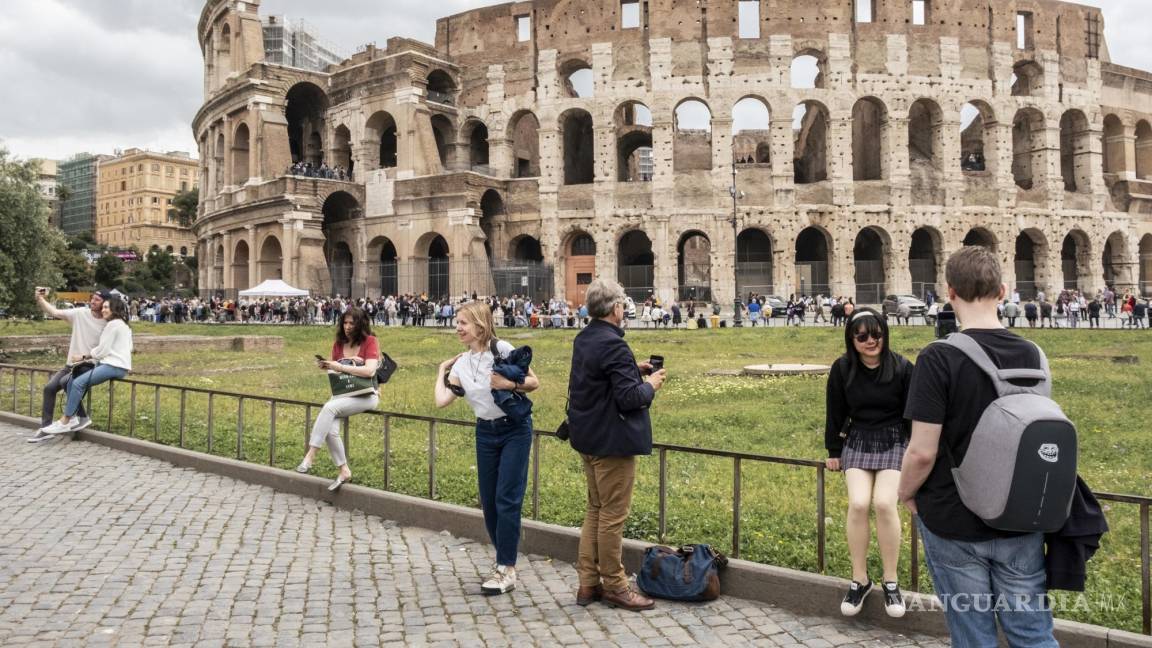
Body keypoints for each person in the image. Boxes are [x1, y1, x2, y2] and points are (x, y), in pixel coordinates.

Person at [898, 246, 1059, 647]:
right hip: (1021, 513)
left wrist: (905, 493)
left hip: (955, 516)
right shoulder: (1034, 354)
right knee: (1034, 633)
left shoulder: (938, 358)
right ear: (1003, 291)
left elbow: (921, 451)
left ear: (948, 292)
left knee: (973, 634)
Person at [567, 279, 665, 611]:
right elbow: (629, 399)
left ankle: (587, 584)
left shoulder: (585, 338)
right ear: (615, 309)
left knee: (595, 511)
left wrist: (630, 369)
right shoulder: (614, 345)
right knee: (612, 517)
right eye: (622, 303)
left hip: (588, 438)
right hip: (612, 443)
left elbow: (597, 379)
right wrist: (650, 384)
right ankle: (616, 586)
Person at [434, 302, 539, 595]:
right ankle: (504, 556)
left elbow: (534, 382)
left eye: (463, 322)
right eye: (456, 322)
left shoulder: (502, 349)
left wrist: (509, 384)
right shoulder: (461, 364)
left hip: (514, 430)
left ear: (480, 325)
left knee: (507, 498)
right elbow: (442, 401)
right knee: (489, 502)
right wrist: (441, 369)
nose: (457, 327)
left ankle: (506, 567)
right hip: (485, 433)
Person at [825, 308, 913, 618]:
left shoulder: (902, 367)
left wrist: (917, 453)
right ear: (851, 338)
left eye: (876, 334)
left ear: (885, 334)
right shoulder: (842, 368)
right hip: (858, 439)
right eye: (862, 336)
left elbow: (913, 414)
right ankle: (860, 579)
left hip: (894, 440)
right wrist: (834, 450)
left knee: (885, 504)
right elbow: (834, 411)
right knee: (859, 503)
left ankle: (891, 581)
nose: (871, 340)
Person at [296, 307, 380, 492]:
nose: (348, 327)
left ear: (360, 324)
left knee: (328, 409)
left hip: (366, 394)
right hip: (343, 393)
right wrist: (328, 366)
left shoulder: (370, 342)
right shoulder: (338, 344)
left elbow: (370, 370)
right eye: (345, 322)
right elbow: (336, 372)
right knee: (331, 431)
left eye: (352, 323)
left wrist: (343, 366)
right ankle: (344, 470)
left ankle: (310, 455)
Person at [40, 296, 133, 435]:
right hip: (115, 365)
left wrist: (84, 357)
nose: (104, 310)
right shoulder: (123, 325)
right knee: (69, 381)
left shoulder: (113, 325)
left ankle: (65, 420)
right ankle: (76, 418)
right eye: (104, 307)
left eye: (107, 307)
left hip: (114, 366)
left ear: (115, 309)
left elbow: (103, 350)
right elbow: (128, 348)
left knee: (77, 383)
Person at [30, 289, 111, 443]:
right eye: (92, 298)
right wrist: (40, 299)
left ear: (106, 304)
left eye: (97, 300)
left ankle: (77, 416)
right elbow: (55, 312)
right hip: (71, 364)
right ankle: (46, 428)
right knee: (49, 388)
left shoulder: (109, 323)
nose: (93, 302)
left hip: (88, 365)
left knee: (67, 383)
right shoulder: (80, 313)